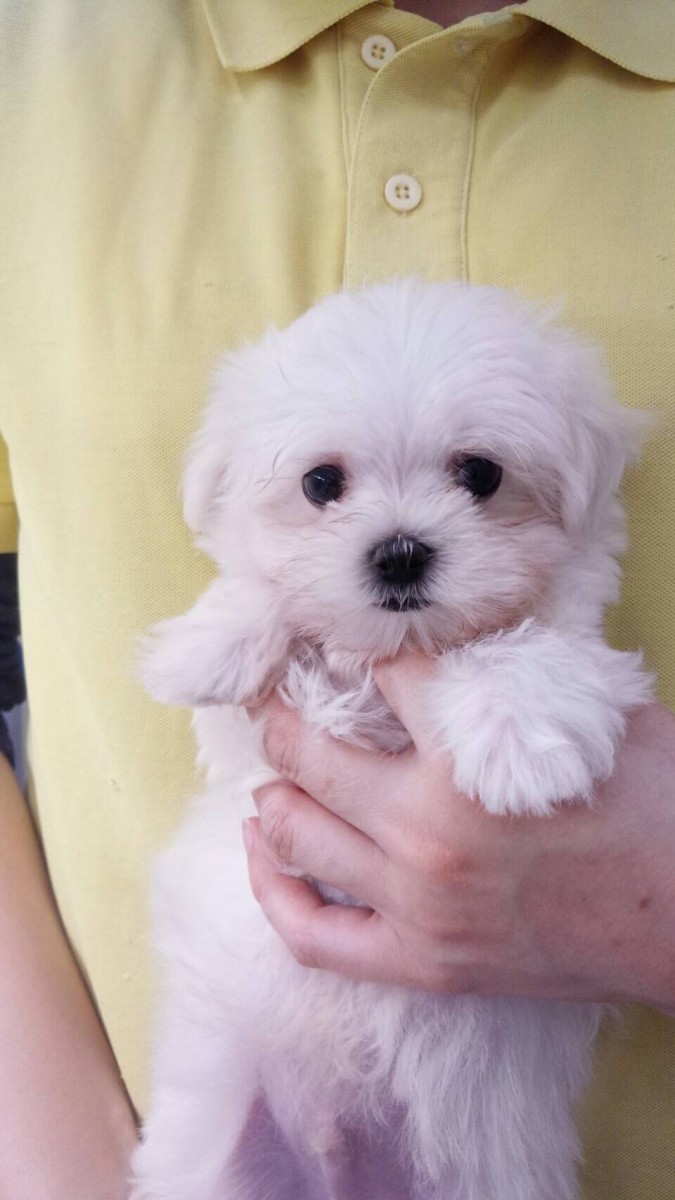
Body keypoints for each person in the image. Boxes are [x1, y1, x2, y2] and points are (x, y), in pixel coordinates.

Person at [0, 1, 674, 1196]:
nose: (401, 541)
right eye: (326, 487)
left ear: (572, 476)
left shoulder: (541, 636)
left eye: (478, 478)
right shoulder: (35, 56)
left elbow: (545, 739)